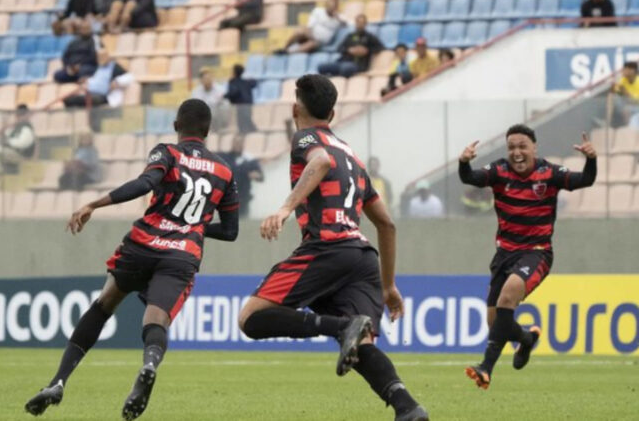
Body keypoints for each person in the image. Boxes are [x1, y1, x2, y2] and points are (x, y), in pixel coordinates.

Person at [24, 99, 240, 420]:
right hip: (181, 255)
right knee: (156, 321)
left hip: (142, 246)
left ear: (176, 125)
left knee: (103, 305)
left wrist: (94, 204)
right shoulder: (225, 170)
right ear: (208, 131)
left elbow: (145, 183)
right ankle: (149, 364)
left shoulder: (167, 152)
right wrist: (191, 226)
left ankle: (58, 382)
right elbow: (231, 231)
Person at [237, 75, 429, 421]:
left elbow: (320, 161)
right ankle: (408, 407)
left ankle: (341, 328)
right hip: (362, 256)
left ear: (296, 109)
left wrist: (284, 208)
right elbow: (387, 223)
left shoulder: (305, 137)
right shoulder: (353, 157)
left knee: (250, 318)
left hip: (327, 248)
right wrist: (388, 286)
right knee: (363, 345)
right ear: (334, 113)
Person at [458, 124, 597, 390]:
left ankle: (486, 368)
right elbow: (470, 178)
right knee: (495, 322)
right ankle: (526, 339)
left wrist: (591, 159)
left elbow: (586, 180)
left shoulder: (550, 173)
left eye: (522, 146)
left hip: (537, 252)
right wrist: (464, 163)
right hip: (504, 254)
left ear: (534, 148)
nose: (517, 152)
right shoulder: (499, 171)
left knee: (508, 296)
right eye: (511, 147)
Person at [318, 14, 383, 78]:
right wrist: (349, 50)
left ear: (365, 24)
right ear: (355, 23)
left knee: (346, 68)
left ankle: (334, 73)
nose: (360, 25)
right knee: (321, 67)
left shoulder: (369, 37)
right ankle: (335, 73)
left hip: (358, 65)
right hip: (342, 62)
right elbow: (339, 48)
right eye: (358, 22)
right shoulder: (350, 36)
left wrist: (367, 51)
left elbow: (380, 47)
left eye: (362, 23)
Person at [63, 49, 133, 108]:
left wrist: (117, 82)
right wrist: (88, 81)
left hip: (106, 97)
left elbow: (129, 77)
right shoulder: (99, 68)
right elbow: (97, 80)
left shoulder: (114, 67)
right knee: (69, 100)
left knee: (91, 100)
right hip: (93, 92)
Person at [277, 0, 346, 54]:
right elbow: (309, 26)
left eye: (333, 7)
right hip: (311, 34)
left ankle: (288, 52)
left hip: (321, 41)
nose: (332, 9)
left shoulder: (339, 18)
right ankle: (285, 48)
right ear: (326, 6)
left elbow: (346, 25)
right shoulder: (318, 11)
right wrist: (312, 36)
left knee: (313, 43)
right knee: (299, 31)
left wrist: (338, 18)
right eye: (330, 7)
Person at [219, 135, 264, 218]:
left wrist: (256, 175)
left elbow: (260, 176)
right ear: (232, 144)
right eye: (236, 143)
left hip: (243, 197)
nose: (238, 145)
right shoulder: (224, 158)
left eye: (240, 143)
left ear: (243, 144)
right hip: (227, 197)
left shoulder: (249, 159)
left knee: (243, 221)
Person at [0, 104, 35, 174]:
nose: (19, 117)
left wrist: (7, 142)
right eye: (18, 115)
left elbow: (22, 143)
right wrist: (3, 131)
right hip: (11, 152)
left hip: (21, 155)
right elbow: (5, 137)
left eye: (21, 115)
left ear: (27, 116)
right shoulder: (15, 128)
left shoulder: (26, 128)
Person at [191, 67, 228, 131]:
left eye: (209, 78)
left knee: (223, 107)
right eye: (205, 79)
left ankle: (222, 128)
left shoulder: (220, 89)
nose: (208, 80)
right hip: (203, 119)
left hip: (218, 117)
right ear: (201, 80)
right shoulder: (196, 92)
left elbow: (226, 104)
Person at [225, 64, 257, 134]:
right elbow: (254, 83)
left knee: (242, 124)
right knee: (248, 120)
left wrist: (225, 96)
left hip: (239, 106)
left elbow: (233, 93)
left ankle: (248, 134)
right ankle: (252, 132)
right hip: (248, 105)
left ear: (234, 72)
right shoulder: (246, 82)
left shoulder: (233, 82)